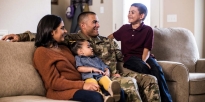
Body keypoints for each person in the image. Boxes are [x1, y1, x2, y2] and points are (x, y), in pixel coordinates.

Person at [2, 11, 160, 102]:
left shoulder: (66, 46)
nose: (65, 31)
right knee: (108, 94)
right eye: (95, 22)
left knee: (135, 86)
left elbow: (121, 58)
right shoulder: (63, 44)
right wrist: (21, 36)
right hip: (73, 85)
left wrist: (141, 59)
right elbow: (41, 37)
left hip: (98, 77)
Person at [33, 14, 106, 102]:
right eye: (62, 28)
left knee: (118, 92)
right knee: (96, 97)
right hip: (62, 91)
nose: (66, 31)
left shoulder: (64, 48)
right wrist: (83, 85)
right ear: (52, 31)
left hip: (84, 82)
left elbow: (82, 62)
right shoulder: (41, 52)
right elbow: (54, 82)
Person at [108, 3, 172, 102]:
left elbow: (147, 49)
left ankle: (167, 100)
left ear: (141, 16)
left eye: (132, 12)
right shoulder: (124, 28)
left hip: (145, 56)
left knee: (157, 69)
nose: (129, 14)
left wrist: (144, 61)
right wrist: (105, 45)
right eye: (129, 12)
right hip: (130, 58)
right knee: (143, 68)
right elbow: (110, 37)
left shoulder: (148, 30)